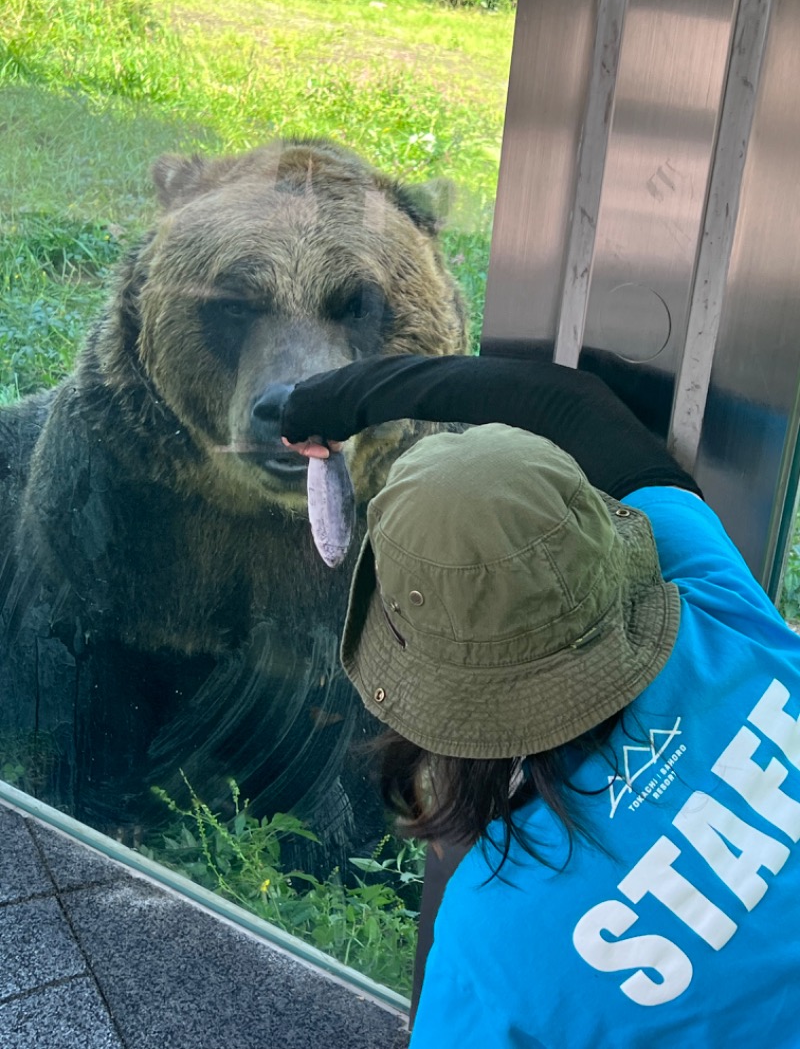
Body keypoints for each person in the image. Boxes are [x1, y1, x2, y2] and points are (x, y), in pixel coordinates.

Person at [280, 353, 800, 1048]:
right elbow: (573, 405)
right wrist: (344, 396)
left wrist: (324, 406)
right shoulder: (726, 618)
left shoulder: (494, 949)